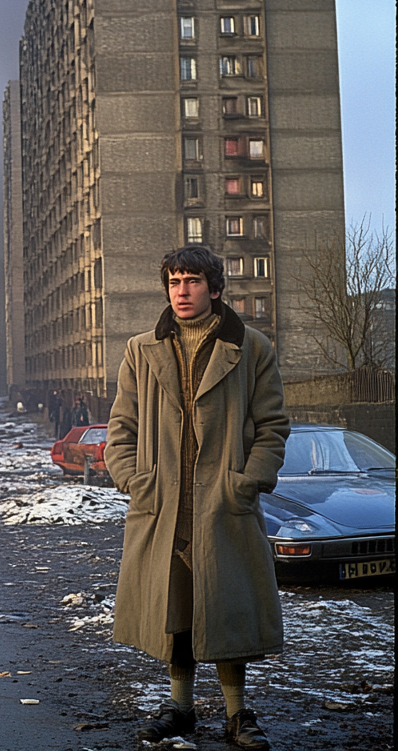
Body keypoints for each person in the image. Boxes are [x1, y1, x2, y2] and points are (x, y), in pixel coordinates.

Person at [105, 245, 288, 751]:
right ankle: (180, 708)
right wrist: (133, 479)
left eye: (191, 281)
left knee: (226, 609)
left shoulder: (251, 347)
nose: (181, 292)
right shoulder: (142, 349)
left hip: (224, 505)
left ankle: (237, 714)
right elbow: (121, 428)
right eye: (174, 282)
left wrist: (247, 481)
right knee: (176, 611)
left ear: (214, 287)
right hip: (162, 505)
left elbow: (272, 426)